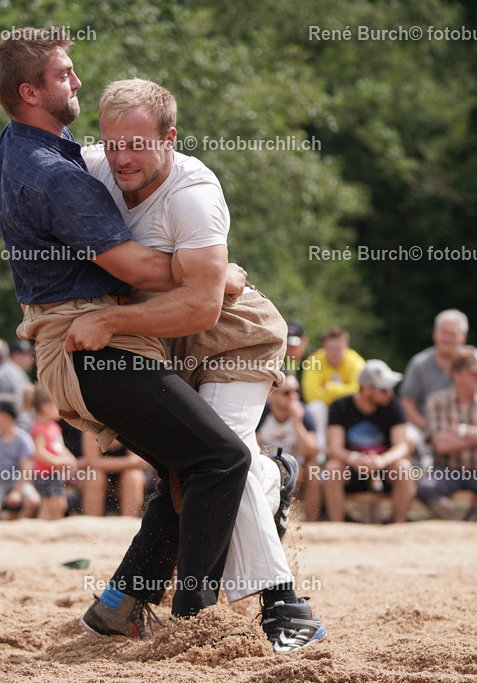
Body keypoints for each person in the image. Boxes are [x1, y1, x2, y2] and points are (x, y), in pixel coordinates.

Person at [0, 29, 250, 625]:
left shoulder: (21, 143)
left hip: (77, 340)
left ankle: (119, 605)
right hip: (88, 345)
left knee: (186, 466)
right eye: (63, 74)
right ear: (30, 92)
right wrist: (217, 275)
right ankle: (195, 620)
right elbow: (137, 269)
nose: (76, 81)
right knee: (222, 459)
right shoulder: (56, 174)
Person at [78, 77, 324, 652]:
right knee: (193, 473)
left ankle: (283, 603)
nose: (121, 157)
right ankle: (273, 478)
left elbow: (203, 305)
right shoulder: (93, 168)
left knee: (222, 456)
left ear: (170, 139)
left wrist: (111, 321)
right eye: (112, 143)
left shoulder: (192, 193)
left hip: (234, 339)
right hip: (169, 345)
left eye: (137, 144)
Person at [417, 346, 477, 521]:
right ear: (456, 374)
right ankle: (458, 524)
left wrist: (463, 431)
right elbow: (441, 444)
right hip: (446, 469)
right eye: (474, 372)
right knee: (426, 488)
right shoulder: (436, 401)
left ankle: (470, 524)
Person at [323, 360, 416, 523]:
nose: (390, 393)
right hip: (351, 468)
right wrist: (355, 459)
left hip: (384, 468)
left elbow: (402, 445)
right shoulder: (340, 406)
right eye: (384, 389)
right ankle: (337, 526)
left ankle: (398, 525)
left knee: (404, 468)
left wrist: (382, 460)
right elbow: (334, 449)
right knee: (332, 469)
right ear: (366, 389)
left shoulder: (394, 406)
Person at [401, 309, 469, 460]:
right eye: (444, 332)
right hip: (425, 427)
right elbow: (406, 404)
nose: (447, 338)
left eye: (453, 334)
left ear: (463, 337)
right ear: (435, 334)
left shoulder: (472, 360)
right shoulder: (419, 363)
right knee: (404, 437)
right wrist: (432, 429)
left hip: (465, 428)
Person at [257, 372, 321, 523]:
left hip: (300, 471)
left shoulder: (305, 414)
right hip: (268, 468)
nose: (293, 397)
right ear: (272, 395)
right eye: (287, 393)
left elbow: (312, 453)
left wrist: (297, 422)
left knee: (313, 468)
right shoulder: (261, 414)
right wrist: (284, 468)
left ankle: (313, 524)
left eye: (296, 391)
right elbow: (253, 449)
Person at [302, 327, 365, 452]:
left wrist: (330, 388)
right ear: (323, 347)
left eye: (338, 348)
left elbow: (360, 392)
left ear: (347, 347)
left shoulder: (357, 362)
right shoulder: (314, 361)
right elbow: (311, 395)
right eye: (330, 348)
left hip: (349, 409)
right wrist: (344, 391)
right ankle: (318, 453)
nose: (334, 353)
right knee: (315, 408)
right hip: (325, 408)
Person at [28, 384, 77, 519]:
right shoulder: (40, 428)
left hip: (54, 473)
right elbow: (39, 452)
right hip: (44, 474)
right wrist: (58, 461)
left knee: (60, 505)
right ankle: (43, 528)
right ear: (46, 407)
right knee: (49, 505)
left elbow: (59, 447)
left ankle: (55, 528)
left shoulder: (54, 427)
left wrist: (70, 458)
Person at [79, 435, 149, 517]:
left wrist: (103, 464)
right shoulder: (91, 430)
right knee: (95, 477)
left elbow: (138, 461)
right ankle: (91, 519)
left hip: (125, 477)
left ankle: (130, 520)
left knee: (133, 476)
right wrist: (128, 462)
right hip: (101, 478)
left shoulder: (131, 429)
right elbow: (93, 463)